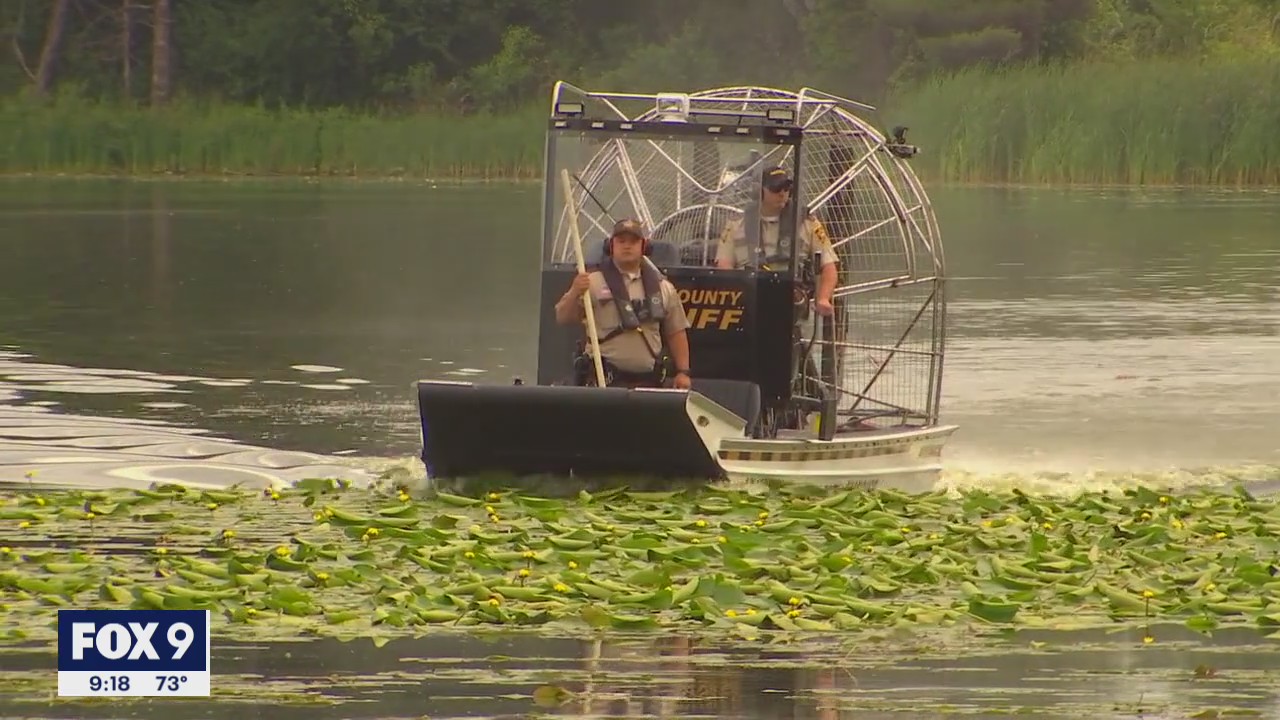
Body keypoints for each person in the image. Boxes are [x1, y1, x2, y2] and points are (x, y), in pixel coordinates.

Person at [554, 218, 693, 389]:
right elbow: (562, 317)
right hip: (603, 382)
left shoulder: (664, 288)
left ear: (644, 246)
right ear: (611, 246)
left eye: (633, 241)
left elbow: (676, 331)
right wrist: (575, 291)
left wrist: (683, 372)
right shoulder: (591, 282)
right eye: (621, 241)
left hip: (649, 382)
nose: (627, 246)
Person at [715, 165, 838, 317]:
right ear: (758, 192)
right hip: (747, 301)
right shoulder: (735, 224)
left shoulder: (808, 222)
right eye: (776, 188)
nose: (782, 194)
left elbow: (829, 266)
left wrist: (823, 298)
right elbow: (724, 266)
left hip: (791, 301)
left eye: (786, 189)